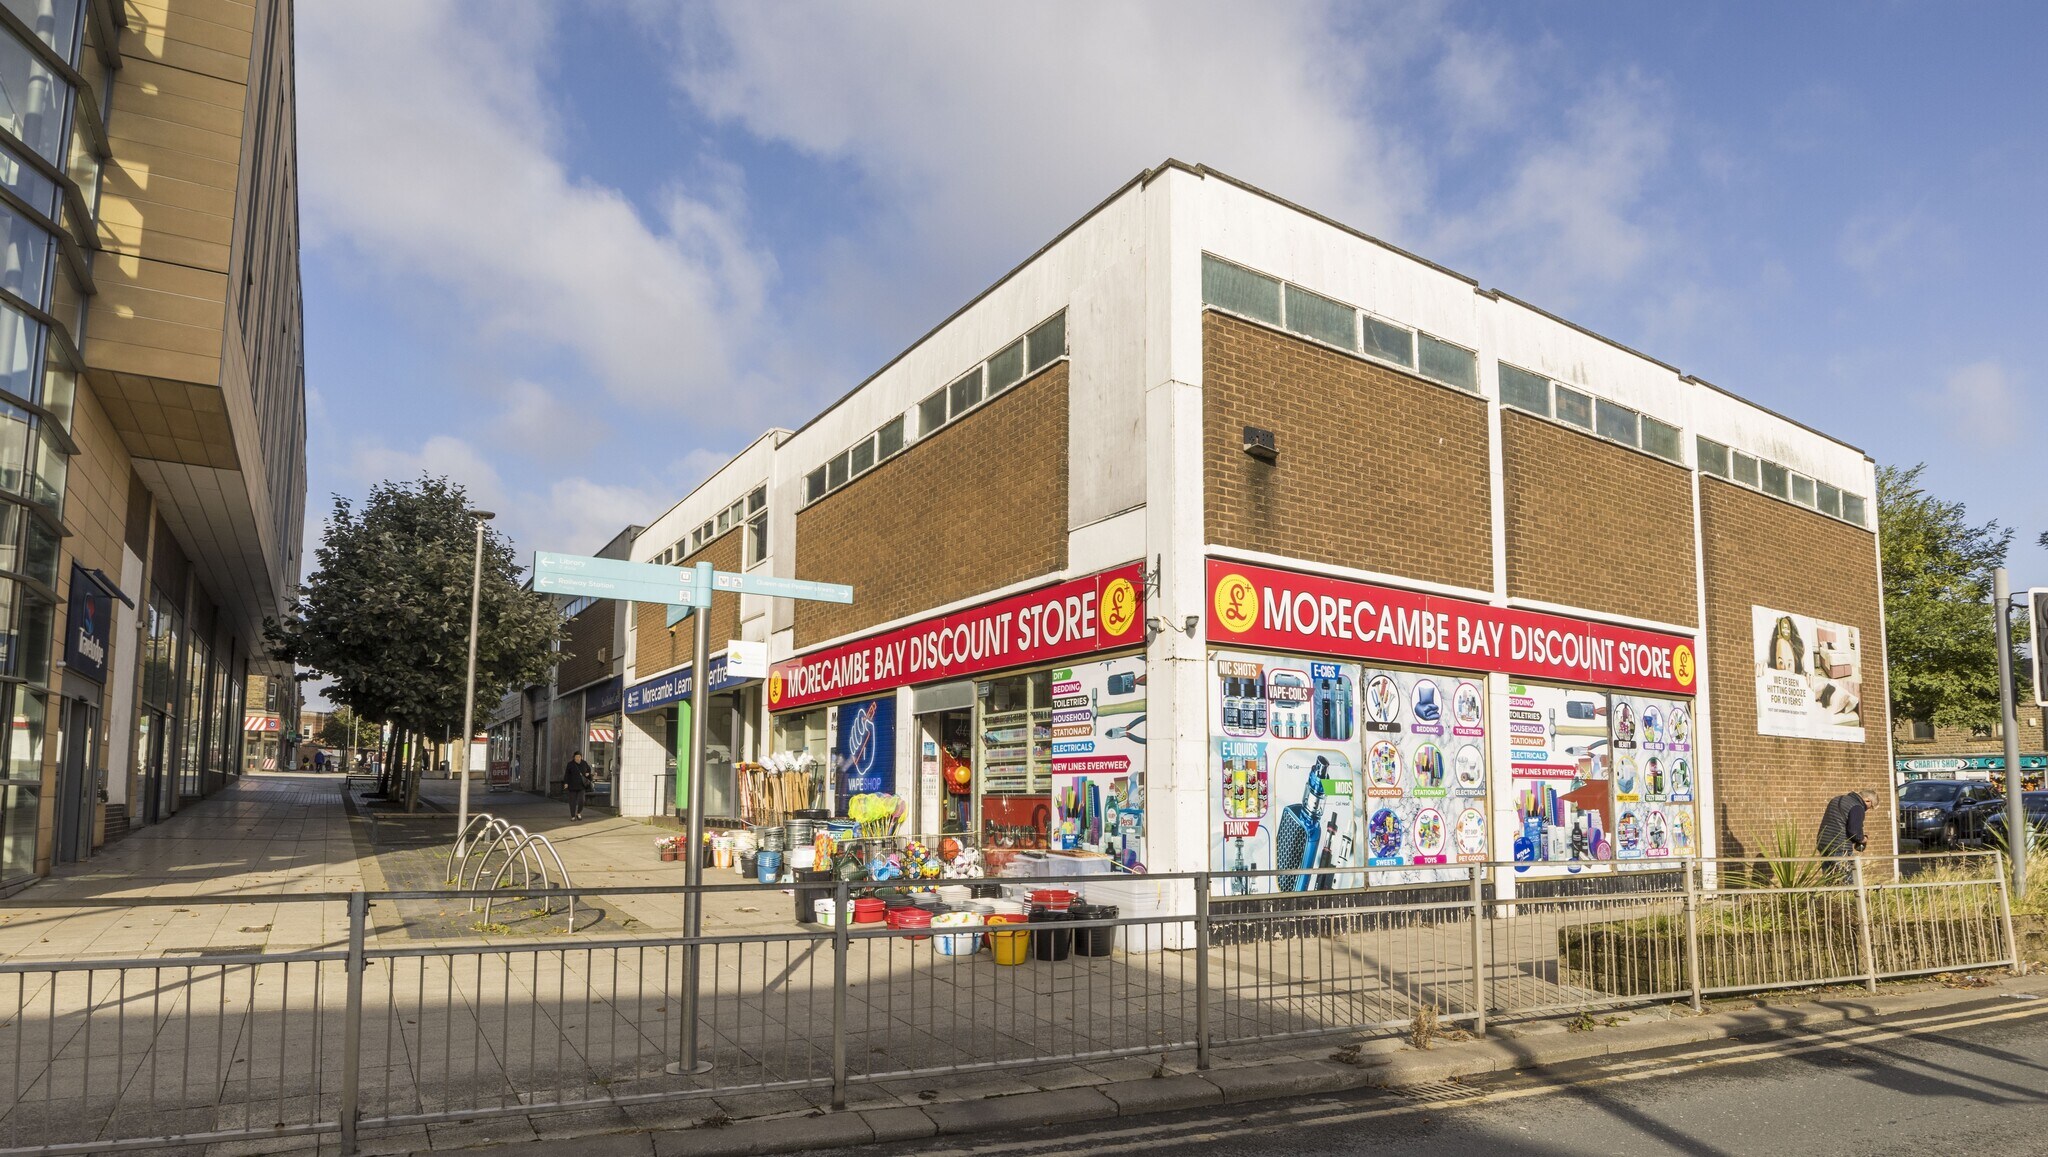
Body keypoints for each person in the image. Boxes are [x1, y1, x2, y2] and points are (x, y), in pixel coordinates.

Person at [1817, 789, 1875, 874]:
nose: (1868, 809)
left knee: (1829, 877)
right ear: (1867, 800)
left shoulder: (1836, 799)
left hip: (1823, 842)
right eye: (1871, 806)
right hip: (1840, 846)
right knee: (1846, 879)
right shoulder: (1857, 807)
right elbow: (1854, 832)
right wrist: (1863, 839)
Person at [563, 752, 592, 820]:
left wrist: (588, 773)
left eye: (579, 757)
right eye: (576, 757)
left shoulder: (584, 763)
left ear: (581, 757)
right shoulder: (570, 764)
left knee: (581, 800)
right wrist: (566, 783)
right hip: (572, 786)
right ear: (574, 757)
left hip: (581, 786)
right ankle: (573, 816)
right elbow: (567, 774)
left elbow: (589, 770)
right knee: (572, 802)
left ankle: (578, 813)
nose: (578, 758)